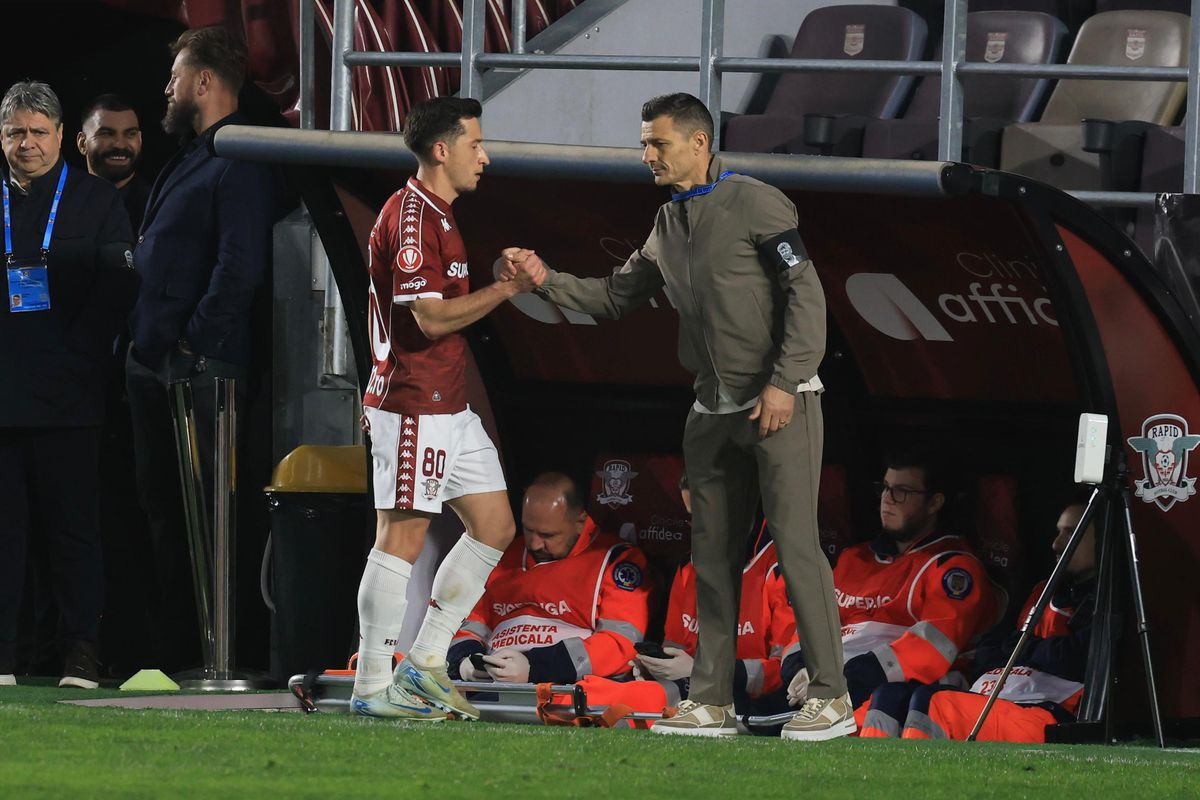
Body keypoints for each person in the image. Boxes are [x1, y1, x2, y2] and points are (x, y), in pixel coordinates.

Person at [501, 92, 850, 740]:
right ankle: (711, 700)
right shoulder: (667, 224)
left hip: (781, 404)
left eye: (657, 144)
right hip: (710, 410)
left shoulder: (757, 202)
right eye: (644, 144)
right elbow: (612, 298)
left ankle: (832, 697)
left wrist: (785, 382)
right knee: (712, 559)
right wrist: (545, 279)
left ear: (698, 143)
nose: (646, 156)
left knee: (796, 549)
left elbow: (806, 293)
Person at [348, 96, 543, 721]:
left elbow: (441, 294)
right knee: (400, 538)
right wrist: (507, 288)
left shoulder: (441, 213)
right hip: (411, 405)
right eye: (475, 144)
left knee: (496, 527)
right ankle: (374, 684)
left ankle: (427, 659)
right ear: (442, 150)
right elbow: (430, 319)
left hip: (448, 406)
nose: (483, 156)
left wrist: (491, 272)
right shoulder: (410, 215)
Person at [125, 26, 283, 671]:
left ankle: (220, 657)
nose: (167, 89)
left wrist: (194, 346)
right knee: (166, 515)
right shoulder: (194, 155)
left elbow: (239, 267)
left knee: (210, 520)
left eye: (175, 77)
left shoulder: (238, 156)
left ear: (205, 82)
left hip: (200, 371)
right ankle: (176, 654)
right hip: (157, 364)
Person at [0, 80, 138, 688]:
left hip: (72, 394)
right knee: (5, 534)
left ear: (61, 136)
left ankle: (81, 650)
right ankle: (5, 655)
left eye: (37, 132)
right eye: (14, 133)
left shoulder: (95, 199)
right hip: (3, 396)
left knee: (73, 530)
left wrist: (82, 358)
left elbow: (117, 290)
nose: (26, 143)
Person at [860, 502, 1096, 742]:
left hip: (1049, 711)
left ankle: (917, 776)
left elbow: (1078, 658)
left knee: (933, 703)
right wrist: (1035, 651)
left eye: (1072, 533)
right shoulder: (1039, 591)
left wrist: (1022, 647)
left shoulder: (1107, 600)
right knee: (888, 696)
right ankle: (873, 774)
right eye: (1059, 532)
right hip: (997, 696)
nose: (1056, 544)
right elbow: (988, 652)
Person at [802, 449, 1000, 724]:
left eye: (902, 491)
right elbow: (814, 623)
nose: (887, 499)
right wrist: (799, 663)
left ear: (935, 503)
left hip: (892, 692)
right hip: (829, 682)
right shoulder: (853, 558)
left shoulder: (953, 568)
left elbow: (933, 649)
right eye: (884, 488)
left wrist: (848, 675)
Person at [446, 472, 651, 685]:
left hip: (567, 690)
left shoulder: (616, 560)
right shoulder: (503, 555)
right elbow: (468, 626)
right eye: (528, 530)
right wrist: (463, 660)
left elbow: (621, 644)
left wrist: (536, 666)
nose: (534, 544)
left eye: (547, 535)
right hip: (491, 686)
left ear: (580, 522)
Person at [630, 477, 800, 726]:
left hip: (756, 708)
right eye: (692, 516)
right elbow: (676, 649)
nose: (698, 527)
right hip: (691, 694)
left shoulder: (782, 568)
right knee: (619, 694)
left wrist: (702, 672)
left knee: (625, 700)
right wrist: (658, 667)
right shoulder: (688, 567)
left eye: (705, 514)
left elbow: (784, 674)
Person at [76, 94, 150, 232]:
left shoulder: (158, 209)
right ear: (82, 143)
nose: (120, 145)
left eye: (130, 134)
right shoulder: (59, 205)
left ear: (140, 140)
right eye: (107, 134)